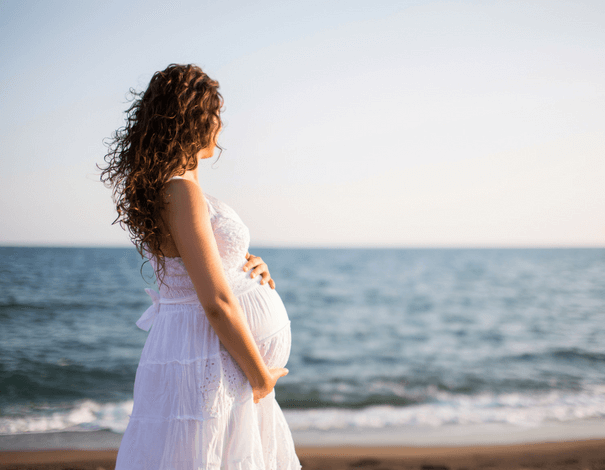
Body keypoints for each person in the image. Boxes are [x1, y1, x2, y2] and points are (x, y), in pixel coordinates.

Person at [100, 64, 301, 470]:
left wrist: (248, 264)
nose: (221, 127)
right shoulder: (180, 189)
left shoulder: (176, 188)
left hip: (204, 352)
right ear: (191, 118)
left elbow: (202, 266)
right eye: (216, 114)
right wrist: (260, 376)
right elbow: (215, 303)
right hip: (208, 353)